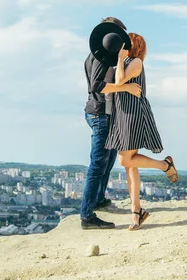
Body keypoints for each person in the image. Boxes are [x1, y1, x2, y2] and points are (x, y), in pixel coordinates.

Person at [104, 32, 178, 231]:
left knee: (125, 160)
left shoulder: (135, 62)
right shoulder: (127, 61)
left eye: (125, 43)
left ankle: (165, 165)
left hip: (133, 115)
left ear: (133, 45)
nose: (123, 46)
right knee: (130, 165)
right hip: (123, 115)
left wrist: (120, 60)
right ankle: (136, 212)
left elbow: (119, 81)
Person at [81, 17, 142, 230]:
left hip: (102, 113)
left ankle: (98, 199)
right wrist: (125, 88)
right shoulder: (99, 58)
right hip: (100, 114)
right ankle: (87, 216)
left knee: (107, 161)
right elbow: (98, 86)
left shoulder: (95, 56)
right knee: (98, 165)